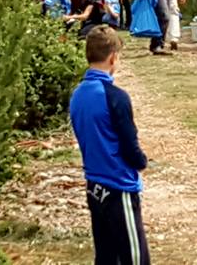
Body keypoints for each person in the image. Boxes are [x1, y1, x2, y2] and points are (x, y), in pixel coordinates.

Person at [69, 26, 150, 265]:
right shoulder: (115, 96)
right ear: (113, 57)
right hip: (118, 186)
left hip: (94, 186)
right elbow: (130, 145)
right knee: (135, 258)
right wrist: (142, 162)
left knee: (105, 256)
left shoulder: (77, 94)